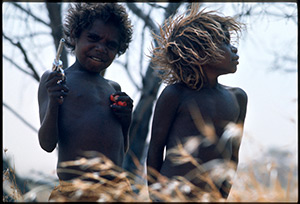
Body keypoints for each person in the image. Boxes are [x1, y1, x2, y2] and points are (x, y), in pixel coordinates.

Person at [147, 5, 247, 199]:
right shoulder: (175, 94)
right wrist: (155, 196)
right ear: (200, 53)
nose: (233, 48)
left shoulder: (238, 98)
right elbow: (155, 149)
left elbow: (232, 156)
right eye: (224, 43)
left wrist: (223, 195)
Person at [37, 3, 133, 199]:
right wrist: (54, 101)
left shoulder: (113, 88)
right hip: (75, 192)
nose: (101, 48)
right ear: (74, 35)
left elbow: (120, 149)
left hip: (116, 192)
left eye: (111, 45)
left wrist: (126, 121)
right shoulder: (56, 80)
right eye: (93, 38)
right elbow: (47, 144)